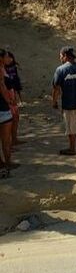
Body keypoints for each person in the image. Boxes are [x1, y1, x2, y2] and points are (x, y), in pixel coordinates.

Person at [0, 49, 13, 177]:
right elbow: (2, 87)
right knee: (5, 141)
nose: (8, 58)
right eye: (6, 56)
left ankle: (2, 164)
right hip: (2, 109)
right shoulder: (0, 70)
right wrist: (9, 101)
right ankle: (7, 165)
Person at [5, 50, 22, 146]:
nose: (10, 59)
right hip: (7, 97)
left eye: (10, 57)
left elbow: (16, 82)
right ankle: (9, 143)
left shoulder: (13, 67)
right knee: (9, 120)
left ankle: (14, 139)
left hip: (13, 94)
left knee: (16, 117)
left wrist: (18, 96)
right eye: (7, 57)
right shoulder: (2, 70)